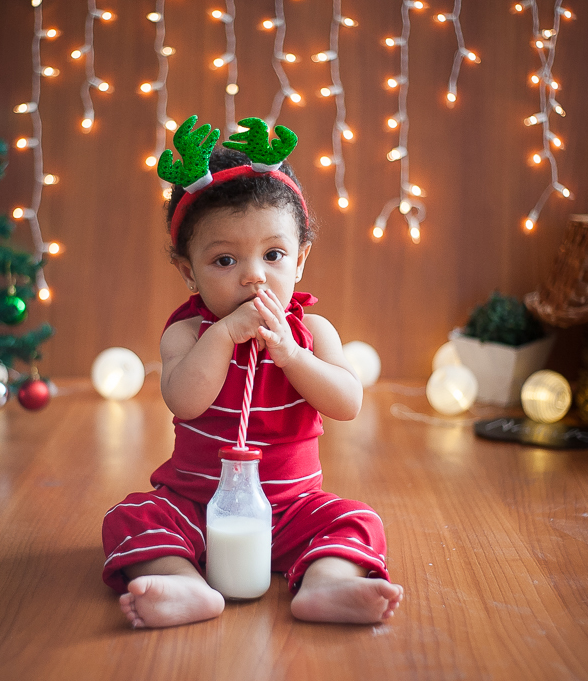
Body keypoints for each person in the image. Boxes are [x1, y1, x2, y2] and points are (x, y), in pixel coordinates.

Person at [102, 116, 403, 628]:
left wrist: (293, 356)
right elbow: (185, 401)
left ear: (300, 260)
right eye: (224, 260)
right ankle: (183, 583)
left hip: (292, 510)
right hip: (198, 509)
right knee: (130, 518)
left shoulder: (314, 332)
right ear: (188, 271)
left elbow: (347, 403)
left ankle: (328, 585)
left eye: (274, 254)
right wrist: (222, 336)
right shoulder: (187, 334)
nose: (254, 276)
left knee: (357, 520)